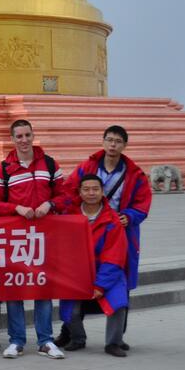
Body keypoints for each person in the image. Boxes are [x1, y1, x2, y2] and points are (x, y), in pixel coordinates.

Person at [55, 125, 152, 351]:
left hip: (118, 228)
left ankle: (117, 338)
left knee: (121, 282)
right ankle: (70, 334)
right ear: (103, 141)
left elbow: (143, 203)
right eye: (109, 140)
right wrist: (63, 210)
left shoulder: (134, 173)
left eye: (118, 141)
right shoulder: (88, 167)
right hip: (85, 224)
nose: (112, 145)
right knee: (74, 285)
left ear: (124, 145)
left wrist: (130, 216)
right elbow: (68, 191)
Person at [0, 119, 69, 360]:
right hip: (16, 238)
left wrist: (50, 203)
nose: (24, 140)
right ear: (12, 140)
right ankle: (16, 341)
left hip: (44, 237)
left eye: (27, 135)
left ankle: (45, 340)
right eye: (19, 136)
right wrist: (16, 208)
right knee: (15, 288)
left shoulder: (50, 164)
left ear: (33, 136)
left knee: (43, 287)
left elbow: (66, 196)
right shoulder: (2, 169)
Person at [59, 175, 130, 357]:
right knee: (70, 309)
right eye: (86, 189)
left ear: (102, 191)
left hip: (107, 272)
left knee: (118, 303)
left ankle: (113, 343)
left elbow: (115, 257)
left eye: (95, 189)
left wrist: (100, 285)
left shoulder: (112, 219)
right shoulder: (69, 217)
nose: (91, 193)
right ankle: (77, 338)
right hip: (77, 273)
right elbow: (62, 251)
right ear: (80, 192)